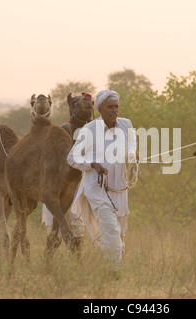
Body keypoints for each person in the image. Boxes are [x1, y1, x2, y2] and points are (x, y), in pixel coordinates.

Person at [67, 90, 137, 274]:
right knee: (112, 233)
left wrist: (131, 156)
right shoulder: (89, 130)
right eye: (110, 107)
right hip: (97, 190)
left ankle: (108, 268)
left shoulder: (126, 124)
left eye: (116, 107)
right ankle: (114, 275)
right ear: (100, 109)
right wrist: (92, 164)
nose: (114, 111)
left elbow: (132, 144)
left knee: (120, 235)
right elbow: (72, 158)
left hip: (120, 189)